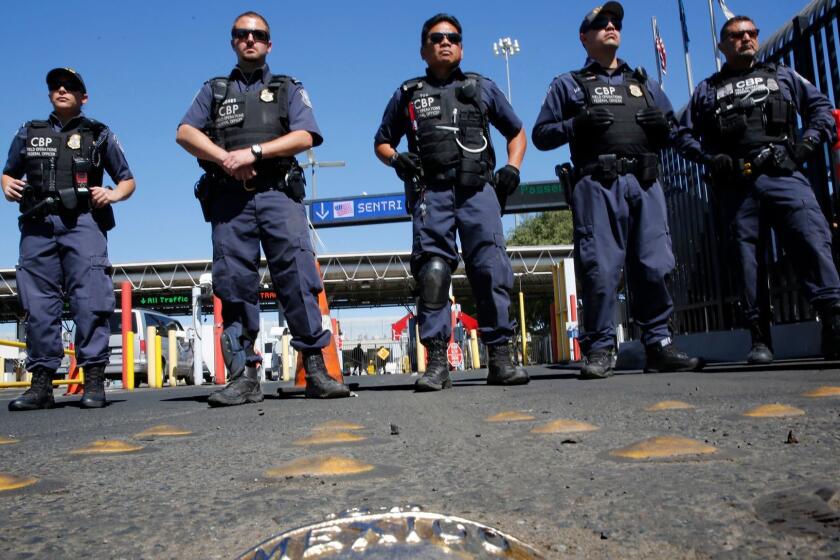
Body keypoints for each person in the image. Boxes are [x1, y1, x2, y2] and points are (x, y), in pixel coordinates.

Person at [176, 11, 350, 406]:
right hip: (230, 199)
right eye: (242, 34)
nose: (250, 39)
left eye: (258, 34)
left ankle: (316, 370)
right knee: (234, 282)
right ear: (233, 41)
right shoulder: (215, 90)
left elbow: (307, 135)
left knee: (298, 276)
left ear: (269, 44)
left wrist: (254, 152)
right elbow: (185, 132)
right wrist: (226, 159)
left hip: (277, 193)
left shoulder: (288, 87)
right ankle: (243, 376)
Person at [532, 2, 704, 379]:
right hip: (597, 184)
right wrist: (576, 123)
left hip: (644, 182)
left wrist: (663, 127)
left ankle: (658, 344)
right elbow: (541, 135)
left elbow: (675, 132)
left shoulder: (644, 83)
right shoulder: (569, 84)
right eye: (600, 23)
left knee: (655, 264)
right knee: (600, 268)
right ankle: (599, 348)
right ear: (584, 37)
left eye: (616, 23)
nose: (611, 26)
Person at [374, 13, 530, 392]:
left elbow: (517, 132)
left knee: (491, 269)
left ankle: (500, 357)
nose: (446, 42)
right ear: (423, 48)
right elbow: (380, 142)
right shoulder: (408, 93)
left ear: (461, 46)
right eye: (437, 37)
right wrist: (396, 158)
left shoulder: (483, 87)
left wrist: (512, 167)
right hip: (432, 194)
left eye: (453, 37)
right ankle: (437, 362)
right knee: (433, 273)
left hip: (478, 192)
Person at [676, 15, 840, 364]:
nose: (746, 39)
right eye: (736, 35)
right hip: (736, 186)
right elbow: (682, 135)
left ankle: (834, 324)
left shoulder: (782, 75)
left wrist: (805, 146)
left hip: (784, 175)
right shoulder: (707, 90)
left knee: (813, 243)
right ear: (722, 45)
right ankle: (760, 339)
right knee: (746, 262)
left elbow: (822, 110)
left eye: (751, 34)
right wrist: (710, 158)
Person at [2, 68, 136, 410]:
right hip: (38, 225)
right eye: (55, 86)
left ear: (83, 96)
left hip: (83, 223)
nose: (62, 90)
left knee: (91, 298)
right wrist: (5, 183)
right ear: (49, 93)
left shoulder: (98, 134)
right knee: (38, 305)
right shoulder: (28, 133)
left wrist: (113, 194)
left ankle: (93, 379)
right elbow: (8, 173)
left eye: (70, 87)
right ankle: (41, 384)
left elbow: (127, 180)